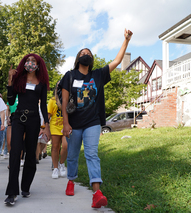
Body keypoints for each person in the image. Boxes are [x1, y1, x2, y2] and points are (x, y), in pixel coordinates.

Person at [60, 29, 133, 208]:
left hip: (92, 122)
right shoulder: (70, 76)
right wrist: (66, 123)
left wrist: (126, 40)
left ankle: (97, 192)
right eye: (83, 53)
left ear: (91, 60)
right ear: (78, 58)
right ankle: (71, 180)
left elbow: (116, 61)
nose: (86, 55)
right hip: (74, 124)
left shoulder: (98, 75)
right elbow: (63, 102)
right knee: (72, 155)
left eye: (89, 54)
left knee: (92, 154)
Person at [5, 53, 51, 206]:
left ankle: (25, 187)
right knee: (15, 151)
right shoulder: (19, 79)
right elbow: (11, 100)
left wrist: (47, 126)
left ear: (38, 64)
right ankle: (12, 192)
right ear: (24, 63)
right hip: (18, 117)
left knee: (31, 154)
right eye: (28, 60)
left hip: (34, 119)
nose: (30, 62)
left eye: (33, 61)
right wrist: (10, 83)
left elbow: (43, 105)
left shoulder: (42, 82)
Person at [48, 84, 67, 179]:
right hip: (55, 126)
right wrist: (44, 128)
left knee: (66, 146)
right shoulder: (52, 101)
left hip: (65, 126)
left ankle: (61, 164)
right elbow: (48, 115)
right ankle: (55, 168)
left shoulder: (68, 98)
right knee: (55, 147)